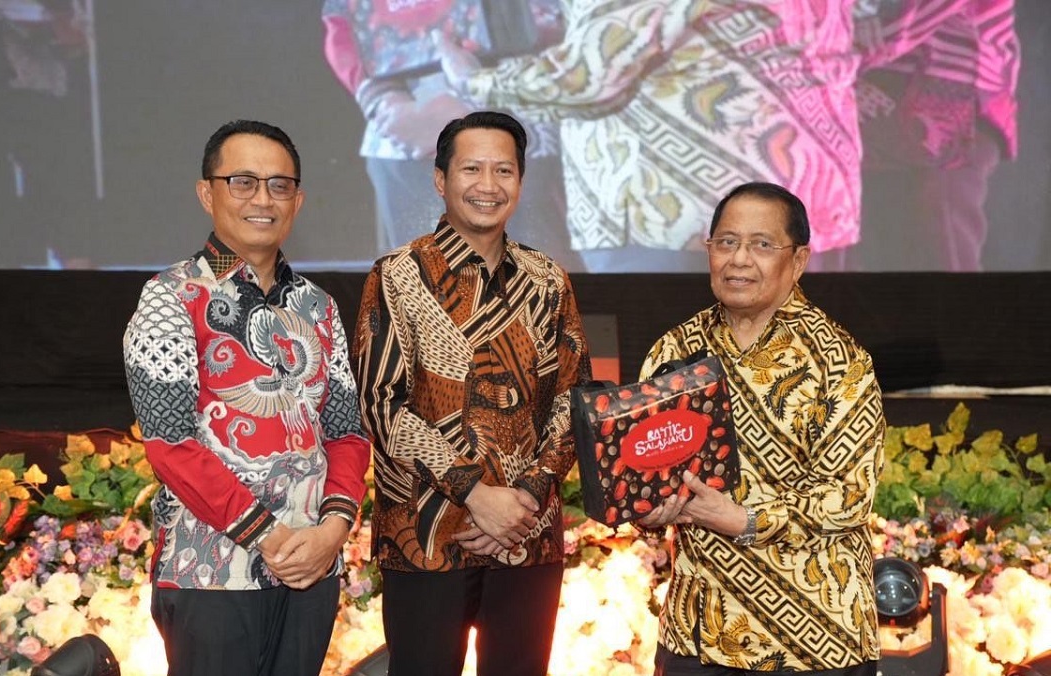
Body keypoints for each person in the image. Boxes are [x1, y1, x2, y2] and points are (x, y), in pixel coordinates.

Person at [122, 119, 370, 676]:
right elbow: (170, 444)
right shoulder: (170, 297)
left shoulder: (318, 307)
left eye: (280, 185)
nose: (263, 199)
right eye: (243, 182)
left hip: (311, 568)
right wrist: (270, 536)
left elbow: (348, 434)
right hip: (210, 574)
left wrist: (333, 531)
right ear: (206, 193)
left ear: (298, 201)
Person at [353, 110, 591, 676]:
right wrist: (477, 495)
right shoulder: (398, 275)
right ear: (441, 179)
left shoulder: (548, 280)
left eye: (503, 170)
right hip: (425, 538)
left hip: (528, 538)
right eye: (471, 169)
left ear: (520, 182)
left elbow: (571, 399)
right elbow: (381, 405)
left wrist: (526, 498)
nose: (488, 185)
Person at [636, 182, 884, 674]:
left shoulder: (840, 361)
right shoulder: (674, 350)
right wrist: (648, 508)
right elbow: (640, 465)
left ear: (799, 260)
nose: (739, 260)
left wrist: (743, 520)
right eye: (726, 242)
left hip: (817, 639)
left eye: (762, 244)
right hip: (697, 633)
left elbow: (849, 495)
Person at [437, 0, 870, 273]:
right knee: (788, 376)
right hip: (809, 202)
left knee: (676, 390)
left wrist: (471, 79)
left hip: (679, 214)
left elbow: (586, 80)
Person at [319, 0, 580, 269]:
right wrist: (386, 104)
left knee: (537, 278)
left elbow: (572, 23)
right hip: (406, 135)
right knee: (426, 282)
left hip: (518, 125)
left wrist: (471, 101)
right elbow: (342, 23)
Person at [854, 0, 1019, 271]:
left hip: (955, 97)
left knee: (941, 224)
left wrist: (840, 47)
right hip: (880, 104)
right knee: (882, 236)